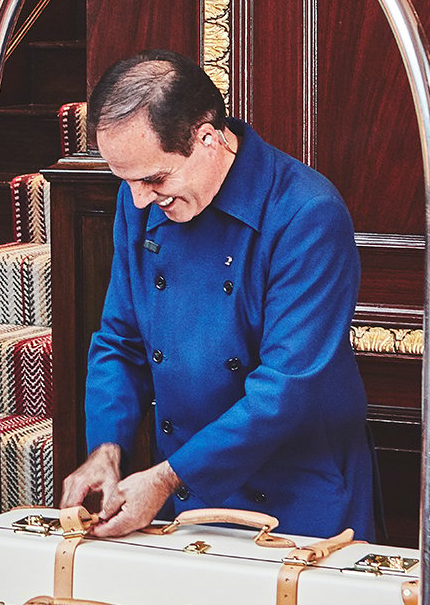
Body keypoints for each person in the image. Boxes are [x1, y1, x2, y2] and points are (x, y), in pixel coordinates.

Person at [57, 49, 375, 540]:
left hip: (299, 496)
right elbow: (120, 341)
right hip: (187, 495)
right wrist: (107, 448)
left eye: (154, 179)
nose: (140, 200)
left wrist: (165, 477)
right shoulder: (139, 200)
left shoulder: (307, 213)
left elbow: (285, 391)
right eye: (127, 182)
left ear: (208, 137)